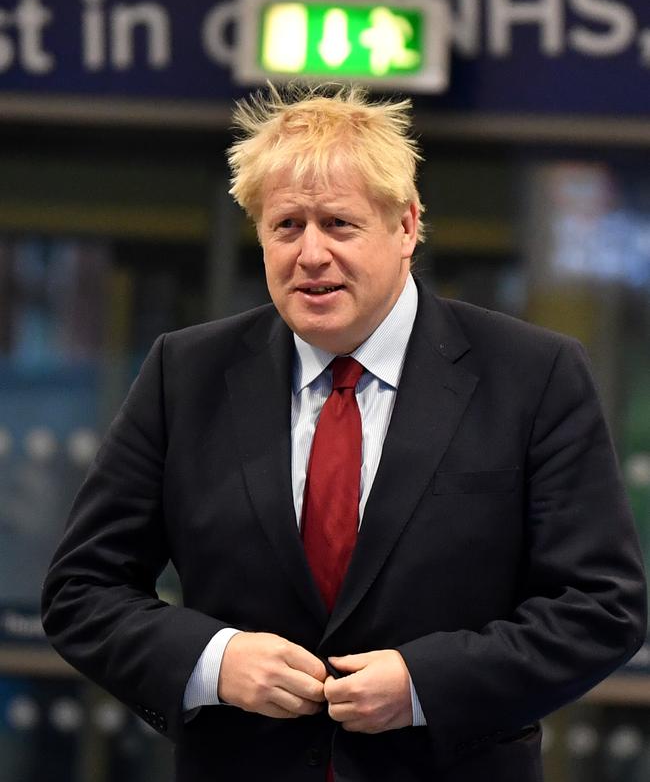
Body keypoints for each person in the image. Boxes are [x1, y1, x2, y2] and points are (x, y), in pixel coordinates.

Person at [42, 83, 646, 782]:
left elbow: (601, 608)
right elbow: (82, 590)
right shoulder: (187, 374)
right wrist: (216, 661)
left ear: (407, 226)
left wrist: (426, 682)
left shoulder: (533, 375)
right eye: (287, 226)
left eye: (339, 224)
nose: (311, 254)